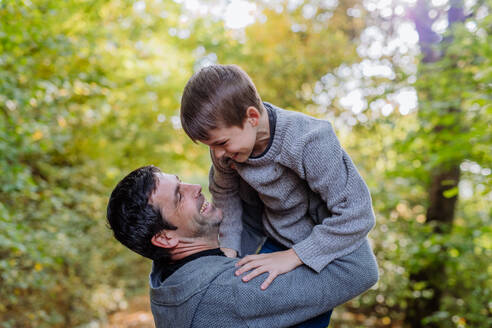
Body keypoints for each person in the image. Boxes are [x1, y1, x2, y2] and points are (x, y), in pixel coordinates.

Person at [106, 165, 379, 328]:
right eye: (179, 196)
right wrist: (313, 193)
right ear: (165, 238)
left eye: (180, 180)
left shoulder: (167, 279)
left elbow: (251, 222)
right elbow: (360, 269)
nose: (196, 187)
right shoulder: (235, 289)